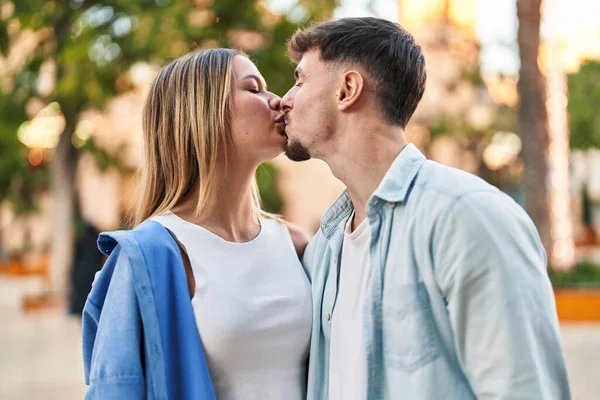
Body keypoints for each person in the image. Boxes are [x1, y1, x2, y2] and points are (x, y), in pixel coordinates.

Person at [281, 17, 571, 399]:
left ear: (347, 89)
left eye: (300, 80)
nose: (285, 98)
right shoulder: (324, 248)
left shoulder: (466, 217)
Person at [82, 49, 312, 399]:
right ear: (203, 112)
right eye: (254, 89)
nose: (277, 100)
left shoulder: (295, 244)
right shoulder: (149, 255)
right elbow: (116, 388)